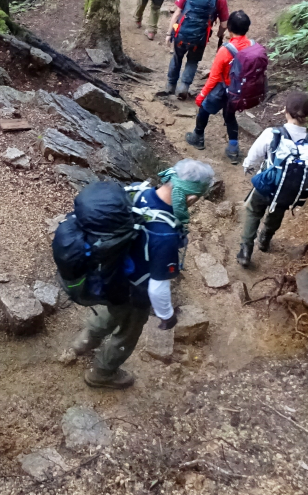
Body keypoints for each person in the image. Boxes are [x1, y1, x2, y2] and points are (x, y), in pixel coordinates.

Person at [68, 159, 216, 389]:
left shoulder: (139, 192)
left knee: (111, 312)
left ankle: (83, 342)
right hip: (135, 291)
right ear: (191, 198)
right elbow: (158, 288)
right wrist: (167, 316)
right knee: (127, 333)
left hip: (111, 276)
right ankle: (102, 374)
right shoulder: (165, 234)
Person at [238, 92, 308, 267]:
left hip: (266, 185)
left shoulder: (273, 134)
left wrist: (248, 165)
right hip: (289, 190)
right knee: (278, 212)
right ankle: (265, 239)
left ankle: (246, 250)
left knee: (253, 212)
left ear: (285, 110)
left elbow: (255, 154)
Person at [186, 10, 252, 163]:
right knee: (229, 116)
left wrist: (202, 95)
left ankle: (198, 137)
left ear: (229, 28)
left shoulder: (226, 50)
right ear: (247, 28)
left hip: (223, 89)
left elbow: (214, 77)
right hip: (239, 91)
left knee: (204, 108)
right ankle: (233, 150)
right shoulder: (251, 46)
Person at [164, 0, 229, 99]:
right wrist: (219, 34)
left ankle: (170, 85)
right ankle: (184, 87)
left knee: (176, 58)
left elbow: (177, 14)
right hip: (200, 38)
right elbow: (224, 23)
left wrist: (169, 33)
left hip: (181, 33)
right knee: (192, 61)